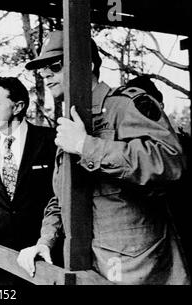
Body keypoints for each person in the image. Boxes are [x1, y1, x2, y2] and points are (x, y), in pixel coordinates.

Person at [17, 30, 190, 285]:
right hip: (90, 267)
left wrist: (86, 145)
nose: (46, 75)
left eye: (54, 66)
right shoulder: (70, 123)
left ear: (86, 65)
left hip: (142, 269)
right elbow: (62, 196)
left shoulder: (125, 106)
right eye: (42, 71)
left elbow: (171, 162)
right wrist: (46, 241)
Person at [0, 77, 58, 285]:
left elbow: (60, 199)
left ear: (17, 107)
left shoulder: (50, 141)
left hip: (41, 260)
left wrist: (46, 243)